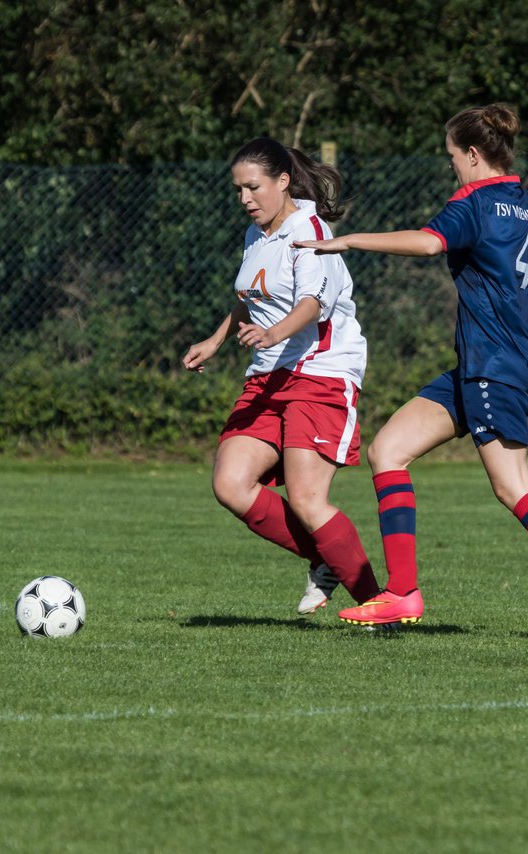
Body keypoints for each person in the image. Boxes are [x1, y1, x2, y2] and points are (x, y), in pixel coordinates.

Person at [294, 103, 528, 641]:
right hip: (478, 366)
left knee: (515, 487)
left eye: (452, 156)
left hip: (493, 368)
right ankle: (402, 592)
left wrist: (350, 240)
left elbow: (428, 243)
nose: (451, 166)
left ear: (473, 155)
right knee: (388, 451)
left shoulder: (473, 202)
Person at [183, 137, 380, 613]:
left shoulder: (309, 233)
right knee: (231, 483)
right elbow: (250, 295)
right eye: (238, 190)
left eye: (253, 188)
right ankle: (328, 558)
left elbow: (312, 304)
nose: (244, 199)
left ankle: (377, 604)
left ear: (283, 181)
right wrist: (215, 339)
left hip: (321, 372)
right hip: (269, 375)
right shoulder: (259, 234)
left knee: (309, 500)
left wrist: (275, 335)